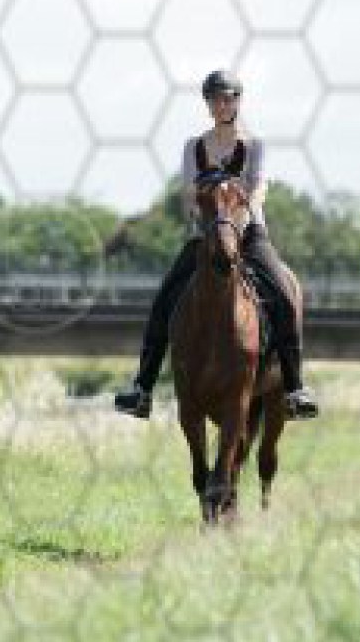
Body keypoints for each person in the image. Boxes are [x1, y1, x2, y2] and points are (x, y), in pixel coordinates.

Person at [113, 70, 320, 421]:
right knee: (165, 297)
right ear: (208, 104)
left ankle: (294, 388)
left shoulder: (255, 145)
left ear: (238, 101)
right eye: (215, 99)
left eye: (228, 98)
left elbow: (259, 187)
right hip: (205, 234)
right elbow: (189, 192)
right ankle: (142, 387)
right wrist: (205, 217)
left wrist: (239, 216)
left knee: (284, 294)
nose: (222, 105)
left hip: (248, 232)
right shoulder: (194, 146)